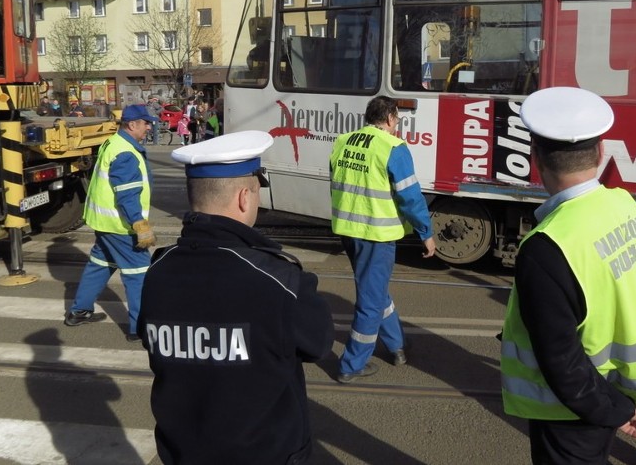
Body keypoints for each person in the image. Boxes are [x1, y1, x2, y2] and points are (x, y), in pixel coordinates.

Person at [138, 131, 334, 464]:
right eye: (257, 193)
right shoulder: (279, 279)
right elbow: (320, 343)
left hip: (183, 453)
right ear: (244, 197)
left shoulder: (158, 271)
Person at [500, 87, 636, 465]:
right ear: (601, 152)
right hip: (622, 389)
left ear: (534, 158)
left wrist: (615, 411)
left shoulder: (546, 247)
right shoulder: (632, 210)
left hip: (571, 411)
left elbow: (562, 363)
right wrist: (630, 397)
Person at [330, 95, 436, 383]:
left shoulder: (343, 141)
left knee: (374, 291)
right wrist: (426, 233)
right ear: (389, 118)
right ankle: (350, 365)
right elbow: (410, 198)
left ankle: (396, 345)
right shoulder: (393, 148)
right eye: (397, 121)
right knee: (370, 300)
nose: (397, 126)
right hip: (376, 235)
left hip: (348, 231)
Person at [64, 104, 158, 342]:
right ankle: (140, 328)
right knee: (138, 274)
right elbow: (126, 193)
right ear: (132, 124)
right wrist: (139, 224)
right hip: (121, 226)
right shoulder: (126, 153)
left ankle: (79, 311)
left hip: (105, 223)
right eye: (145, 123)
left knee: (100, 265)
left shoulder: (113, 142)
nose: (149, 127)